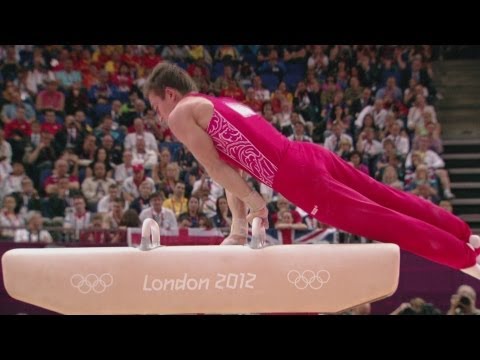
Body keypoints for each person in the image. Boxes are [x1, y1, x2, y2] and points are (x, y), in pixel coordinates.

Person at [144, 62, 480, 280]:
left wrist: (256, 204)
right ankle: (463, 234)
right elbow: (234, 167)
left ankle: (464, 258)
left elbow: (215, 168)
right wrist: (238, 227)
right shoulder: (215, 103)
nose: (160, 117)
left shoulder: (181, 114)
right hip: (308, 155)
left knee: (383, 221)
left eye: (157, 107)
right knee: (387, 198)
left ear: (170, 94)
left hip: (298, 179)